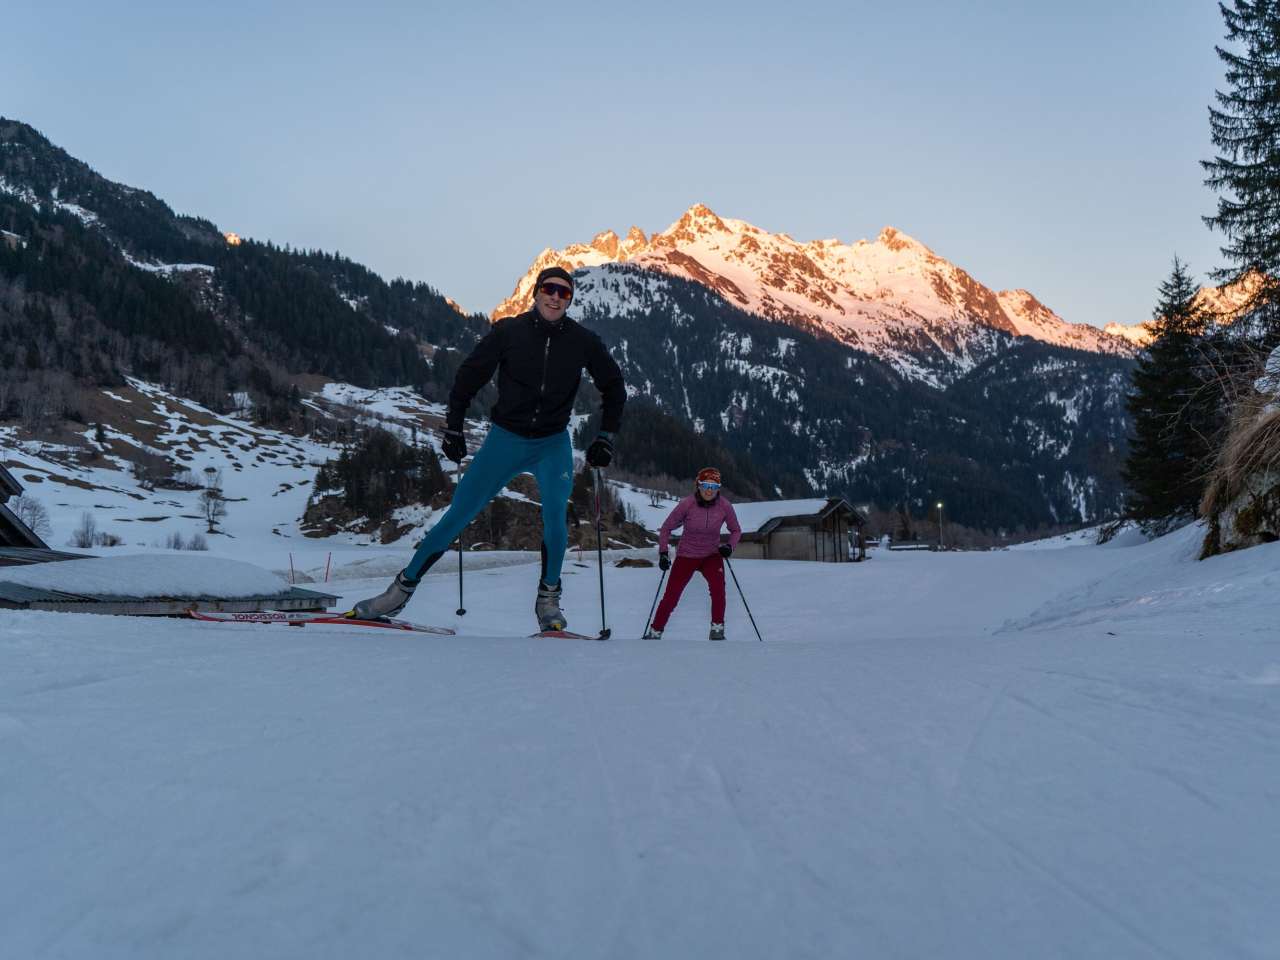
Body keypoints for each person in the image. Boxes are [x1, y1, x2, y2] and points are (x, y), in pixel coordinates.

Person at [349, 266, 625, 630]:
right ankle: (399, 591)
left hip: (551, 444)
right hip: (505, 440)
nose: (556, 297)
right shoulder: (509, 331)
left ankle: (548, 599)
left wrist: (605, 437)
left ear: (570, 300)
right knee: (457, 516)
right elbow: (469, 375)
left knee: (555, 518)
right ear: (536, 292)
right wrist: (453, 426)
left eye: (564, 292)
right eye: (549, 289)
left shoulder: (583, 341)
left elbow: (614, 386)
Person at [644, 467, 741, 640]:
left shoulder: (724, 506)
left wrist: (729, 547)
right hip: (687, 555)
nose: (709, 490)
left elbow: (736, 531)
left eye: (714, 486)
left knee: (718, 591)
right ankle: (655, 631)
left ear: (719, 488)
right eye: (705, 485)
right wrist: (664, 553)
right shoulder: (687, 504)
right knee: (671, 596)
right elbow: (666, 528)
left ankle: (717, 629)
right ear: (698, 486)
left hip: (711, 555)